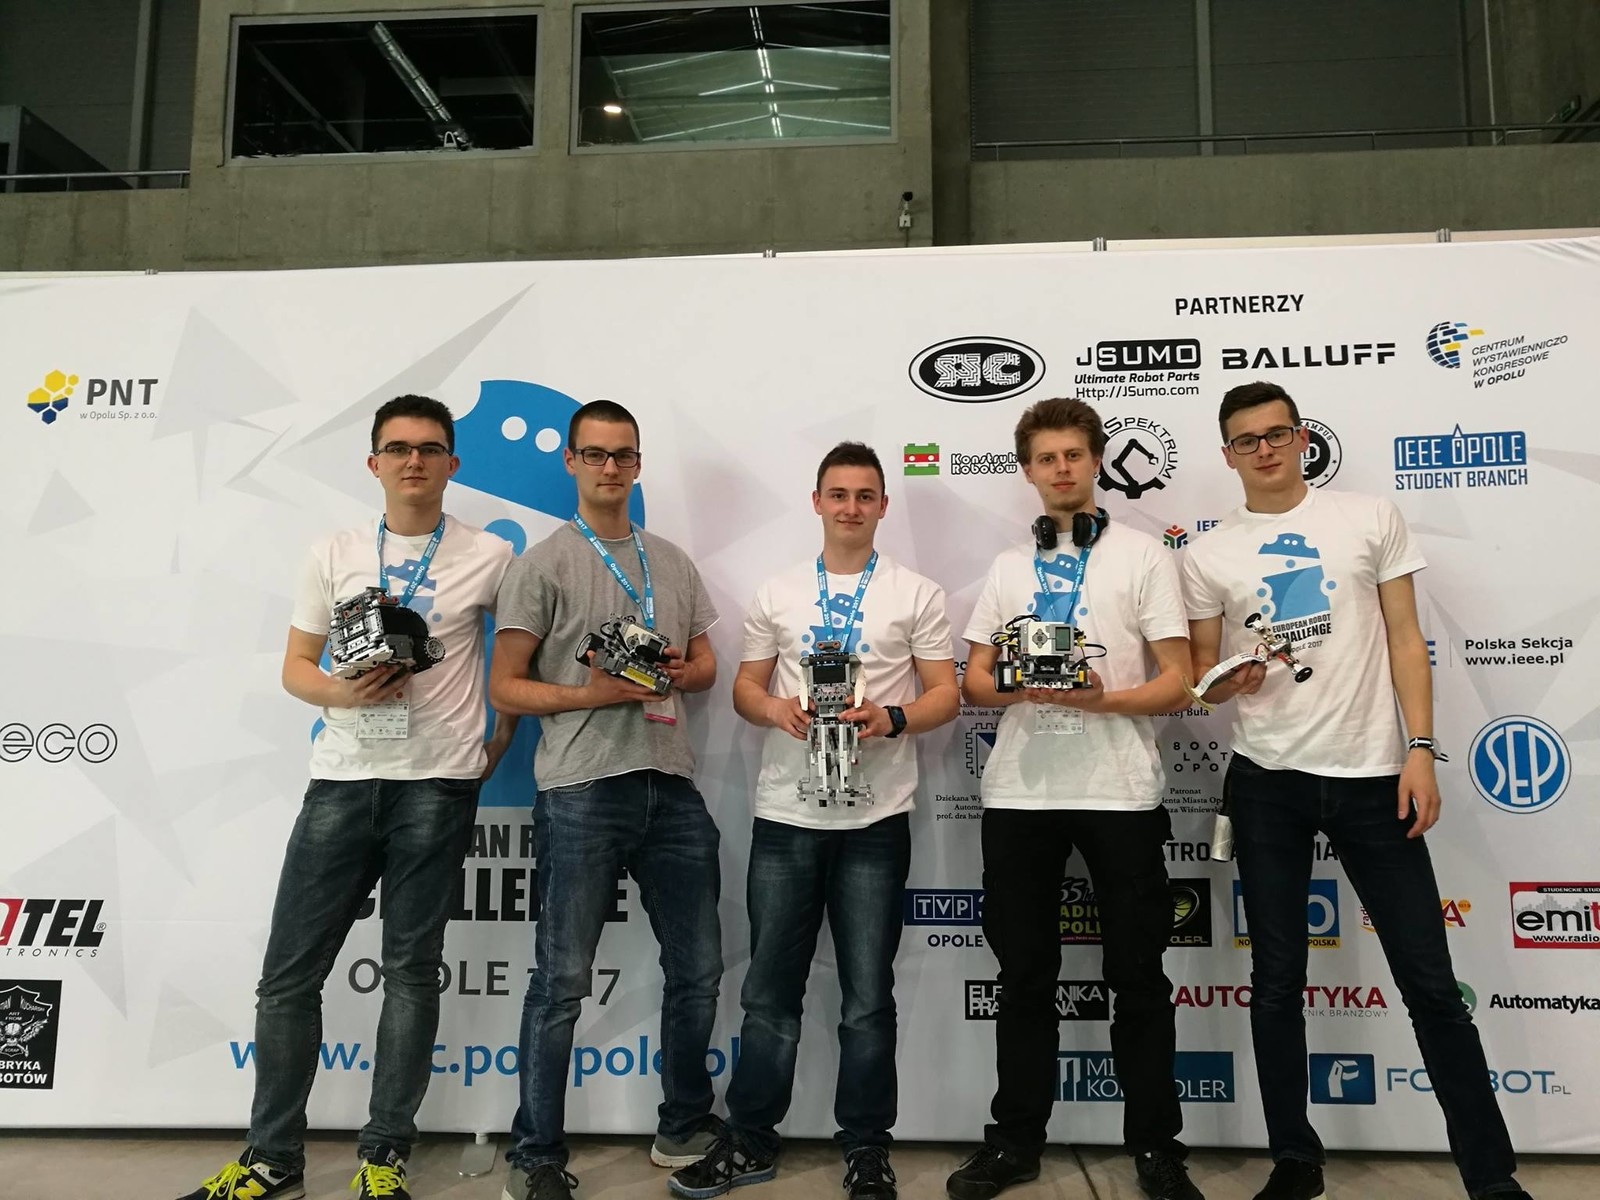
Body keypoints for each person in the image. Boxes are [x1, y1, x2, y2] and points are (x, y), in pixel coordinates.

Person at [1181, 380, 1533, 1200]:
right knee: (1276, 984)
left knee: (1431, 985)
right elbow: (1201, 675)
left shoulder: (1369, 517)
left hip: (1375, 775)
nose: (1264, 449)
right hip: (1267, 780)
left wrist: (1420, 750)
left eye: (1277, 434)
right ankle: (1295, 1162)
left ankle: (1491, 1178)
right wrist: (1232, 678)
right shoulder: (1207, 555)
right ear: (1227, 454)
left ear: (1302, 438)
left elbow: (1408, 640)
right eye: (1246, 439)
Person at [177, 394, 518, 1200]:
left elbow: (517, 659)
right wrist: (342, 691)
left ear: (452, 463)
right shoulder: (332, 551)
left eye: (429, 448)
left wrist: (497, 739)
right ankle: (272, 1157)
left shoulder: (490, 556)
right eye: (397, 448)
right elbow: (296, 667)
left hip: (436, 782)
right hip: (341, 777)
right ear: (373, 463)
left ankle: (383, 1156)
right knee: (288, 979)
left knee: (411, 973)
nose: (413, 461)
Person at [668, 443, 959, 1200]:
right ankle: (751, 1138)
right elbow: (745, 688)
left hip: (875, 821)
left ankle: (866, 1147)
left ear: (883, 505)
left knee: (867, 998)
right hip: (787, 816)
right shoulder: (780, 591)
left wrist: (892, 717)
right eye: (838, 494)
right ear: (817, 501)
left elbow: (945, 694)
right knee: (770, 991)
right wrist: (776, 710)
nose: (851, 507)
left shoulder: (916, 592)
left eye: (865, 496)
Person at [945, 397, 1203, 1200]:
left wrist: (1102, 698)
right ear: (1027, 471)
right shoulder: (1007, 567)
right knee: (1024, 976)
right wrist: (1024, 685)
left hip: (1120, 791)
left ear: (1095, 462)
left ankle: (1156, 1147)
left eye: (1073, 455)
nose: (1061, 468)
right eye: (1046, 458)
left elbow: (1179, 681)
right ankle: (1015, 1142)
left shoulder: (1144, 556)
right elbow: (974, 682)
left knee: (1139, 976)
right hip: (1021, 792)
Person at [490, 400, 723, 1200]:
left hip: (672, 784)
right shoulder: (544, 564)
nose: (610, 468)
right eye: (594, 454)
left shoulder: (672, 562)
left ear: (638, 464)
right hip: (581, 789)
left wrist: (677, 673)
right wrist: (592, 693)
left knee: (699, 970)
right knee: (561, 981)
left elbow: (706, 666)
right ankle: (535, 1154)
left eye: (623, 455)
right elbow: (505, 686)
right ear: (571, 462)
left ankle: (683, 1123)